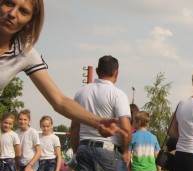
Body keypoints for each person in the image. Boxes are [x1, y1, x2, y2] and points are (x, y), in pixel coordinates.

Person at [0, 0, 119, 138]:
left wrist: (98, 122)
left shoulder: (25, 53)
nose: (12, 14)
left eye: (23, 11)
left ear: (30, 20)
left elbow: (60, 101)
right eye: (9, 3)